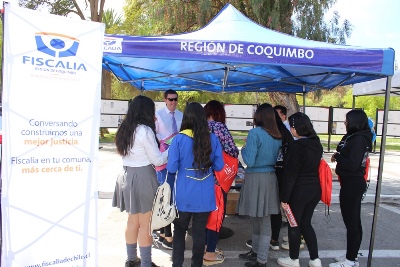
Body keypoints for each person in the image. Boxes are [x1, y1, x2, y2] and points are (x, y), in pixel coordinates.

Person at [112, 95, 168, 267]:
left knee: (132, 221)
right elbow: (158, 160)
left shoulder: (125, 128)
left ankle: (131, 259)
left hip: (126, 176)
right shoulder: (145, 130)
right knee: (146, 224)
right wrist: (172, 150)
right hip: (143, 176)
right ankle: (145, 263)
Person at [166, 102, 224, 267]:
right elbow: (219, 166)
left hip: (183, 195)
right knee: (199, 233)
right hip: (205, 195)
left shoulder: (178, 139)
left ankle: (177, 264)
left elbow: (171, 167)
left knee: (179, 232)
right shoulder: (212, 138)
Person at [237, 103, 282, 267]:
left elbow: (249, 160)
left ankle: (261, 258)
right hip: (269, 177)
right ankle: (256, 253)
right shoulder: (277, 135)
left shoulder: (255, 133)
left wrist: (244, 148)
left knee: (259, 220)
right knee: (260, 219)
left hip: (255, 177)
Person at [277, 112, 323, 267]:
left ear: (296, 127)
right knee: (306, 224)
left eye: (291, 126)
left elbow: (290, 175)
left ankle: (293, 259)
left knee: (294, 224)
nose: (290, 129)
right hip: (315, 190)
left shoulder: (297, 147)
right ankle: (315, 259)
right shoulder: (317, 143)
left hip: (299, 191)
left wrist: (284, 198)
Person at [329, 110, 372, 267]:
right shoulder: (354, 137)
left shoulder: (359, 139)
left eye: (347, 121)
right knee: (352, 222)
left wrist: (338, 156)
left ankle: (350, 260)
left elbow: (352, 165)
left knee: (352, 223)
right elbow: (345, 151)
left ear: (354, 121)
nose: (345, 123)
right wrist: (339, 154)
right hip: (349, 183)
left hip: (353, 183)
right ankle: (351, 255)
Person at [203, 100, 239, 265]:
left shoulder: (199, 128)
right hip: (218, 179)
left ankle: (204, 246)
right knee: (216, 215)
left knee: (202, 215)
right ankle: (210, 251)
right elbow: (233, 151)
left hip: (200, 179)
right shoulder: (219, 127)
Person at [154, 89, 183, 249]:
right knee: (165, 195)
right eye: (170, 99)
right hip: (164, 159)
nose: (173, 102)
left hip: (177, 158)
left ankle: (166, 233)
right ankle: (166, 233)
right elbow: (154, 134)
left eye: (175, 100)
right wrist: (164, 142)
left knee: (174, 196)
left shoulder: (180, 115)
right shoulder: (158, 115)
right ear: (165, 100)